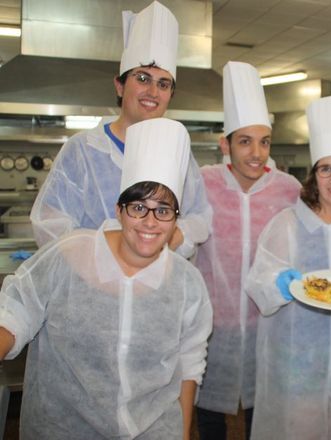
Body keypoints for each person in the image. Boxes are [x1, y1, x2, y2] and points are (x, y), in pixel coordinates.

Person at [0, 118, 213, 440]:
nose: (150, 222)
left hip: (155, 430)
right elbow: (16, 312)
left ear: (175, 220)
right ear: (119, 210)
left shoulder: (187, 284)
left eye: (163, 210)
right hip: (64, 429)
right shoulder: (69, 254)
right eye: (138, 207)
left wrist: (183, 435)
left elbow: (189, 365)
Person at [30, 1, 211, 258]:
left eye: (163, 83)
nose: (152, 92)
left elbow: (201, 216)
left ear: (171, 93)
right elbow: (49, 225)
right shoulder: (82, 151)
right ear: (119, 85)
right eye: (142, 78)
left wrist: (171, 236)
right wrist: (106, 258)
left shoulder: (177, 152)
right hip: (92, 287)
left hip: (157, 288)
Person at [245, 95, 331, 439]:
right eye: (325, 168)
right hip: (299, 367)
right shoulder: (287, 224)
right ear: (314, 175)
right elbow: (257, 284)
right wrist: (279, 284)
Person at [194, 61, 301, 440]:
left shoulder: (289, 189)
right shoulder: (201, 184)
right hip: (212, 326)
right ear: (225, 144)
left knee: (264, 416)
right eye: (245, 141)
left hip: (268, 327)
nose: (257, 153)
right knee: (208, 416)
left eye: (264, 141)